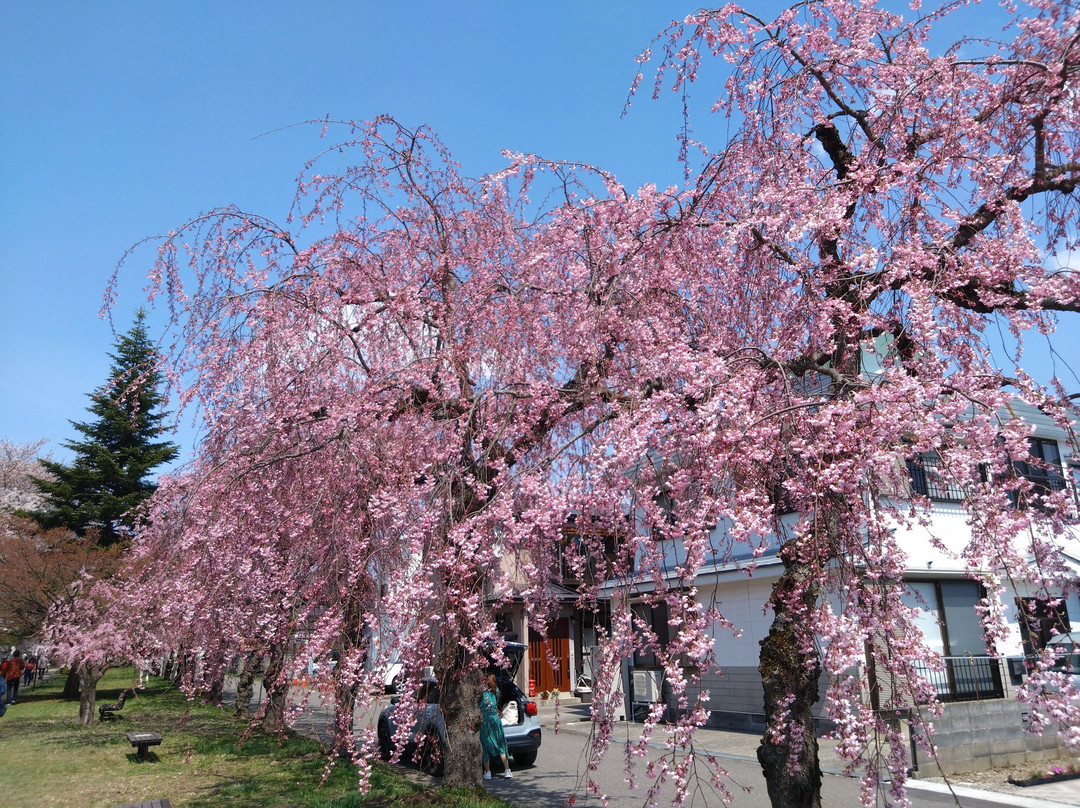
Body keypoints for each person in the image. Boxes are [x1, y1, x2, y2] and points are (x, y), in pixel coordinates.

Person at [479, 672, 512, 780]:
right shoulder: (496, 691)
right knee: (500, 744)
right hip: (496, 720)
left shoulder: (481, 692)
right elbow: (496, 704)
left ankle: (488, 772)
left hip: (485, 722)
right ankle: (507, 770)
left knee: (485, 745)